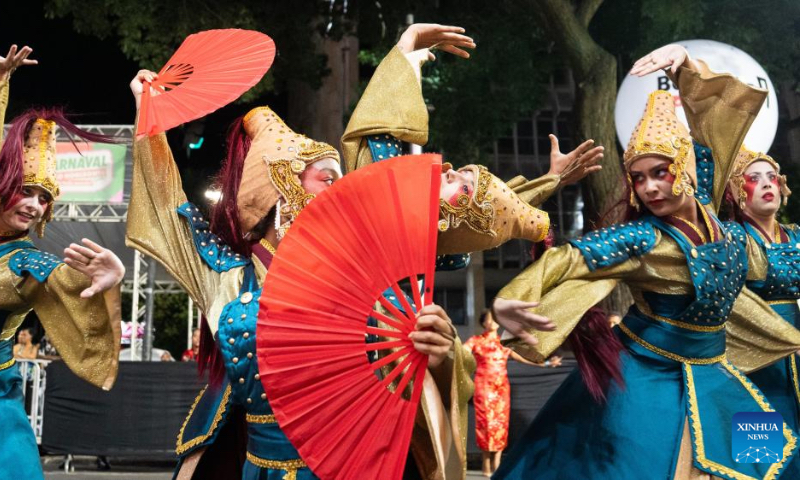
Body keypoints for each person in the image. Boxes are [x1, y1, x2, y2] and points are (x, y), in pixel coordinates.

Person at [490, 47, 800, 479]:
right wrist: (511, 297)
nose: (650, 187)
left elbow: (717, 127)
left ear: (687, 170)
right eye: (639, 178)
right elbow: (573, 257)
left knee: (768, 455)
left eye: (661, 172)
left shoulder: (722, 220)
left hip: (738, 362)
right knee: (635, 465)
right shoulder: (645, 237)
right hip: (645, 375)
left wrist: (686, 66)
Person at [340, 23, 602, 480]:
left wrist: (404, 50)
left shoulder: (393, 232)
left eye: (457, 181)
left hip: (367, 420)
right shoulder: (418, 249)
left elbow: (376, 140)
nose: (447, 169)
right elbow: (487, 217)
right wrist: (549, 183)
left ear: (446, 218)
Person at [0, 44, 124, 480]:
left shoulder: (24, 262)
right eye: (27, 190)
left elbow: (59, 278)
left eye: (44, 198)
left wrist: (108, 281)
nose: (35, 205)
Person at [720, 140, 800, 477]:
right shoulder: (734, 239)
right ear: (739, 192)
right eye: (755, 178)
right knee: (765, 457)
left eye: (772, 176)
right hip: (755, 362)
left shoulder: (796, 236)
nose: (767, 183)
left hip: (797, 358)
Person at [464, 311, 558, 477]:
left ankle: (497, 464)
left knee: (501, 424)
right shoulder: (476, 341)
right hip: (484, 387)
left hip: (502, 389)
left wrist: (547, 363)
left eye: (495, 319)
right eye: (489, 319)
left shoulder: (504, 343)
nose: (493, 322)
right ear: (483, 323)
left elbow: (522, 358)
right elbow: (461, 352)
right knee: (485, 424)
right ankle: (486, 464)